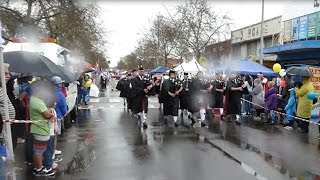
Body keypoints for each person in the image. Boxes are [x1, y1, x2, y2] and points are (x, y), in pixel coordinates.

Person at [30, 81, 56, 176]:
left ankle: (37, 168)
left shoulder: (33, 99)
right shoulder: (38, 101)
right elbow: (47, 115)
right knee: (39, 151)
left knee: (38, 150)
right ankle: (39, 169)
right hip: (41, 129)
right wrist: (51, 113)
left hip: (38, 129)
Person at [51, 76, 67, 158]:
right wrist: (63, 114)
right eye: (60, 83)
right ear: (58, 84)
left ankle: (51, 151)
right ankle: (52, 152)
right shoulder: (60, 94)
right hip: (57, 116)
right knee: (55, 135)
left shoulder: (48, 92)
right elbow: (64, 107)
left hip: (48, 117)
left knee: (50, 135)